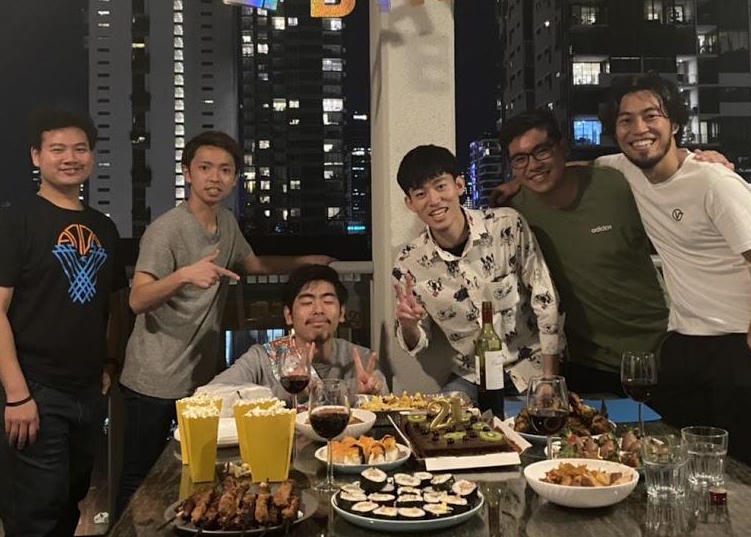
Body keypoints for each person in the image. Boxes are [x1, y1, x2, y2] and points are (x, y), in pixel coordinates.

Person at [116, 130, 333, 517]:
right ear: (187, 173)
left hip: (200, 381)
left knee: (195, 474)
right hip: (152, 379)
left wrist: (306, 263)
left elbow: (252, 265)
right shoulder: (166, 229)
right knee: (141, 477)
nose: (214, 177)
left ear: (234, 179)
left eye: (225, 170)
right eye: (205, 168)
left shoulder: (226, 223)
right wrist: (184, 275)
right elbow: (137, 299)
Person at [0, 107, 127, 537]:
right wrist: (17, 395)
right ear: (36, 157)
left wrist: (108, 362)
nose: (70, 157)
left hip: (84, 390)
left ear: (92, 157)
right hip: (28, 389)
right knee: (35, 515)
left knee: (66, 505)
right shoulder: (12, 222)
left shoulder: (103, 227)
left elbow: (113, 305)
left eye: (79, 148)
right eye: (57, 149)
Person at [598, 73, 751, 477]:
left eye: (651, 116)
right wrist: (514, 184)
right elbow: (579, 168)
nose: (638, 129)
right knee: (677, 467)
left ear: (675, 123)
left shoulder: (714, 181)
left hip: (746, 341)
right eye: (625, 120)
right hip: (686, 343)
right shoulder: (626, 168)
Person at [497, 109, 669, 396]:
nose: (533, 165)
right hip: (586, 364)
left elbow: (670, 183)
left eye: (542, 151)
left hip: (658, 351)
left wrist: (703, 161)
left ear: (563, 148)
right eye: (520, 159)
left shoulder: (615, 185)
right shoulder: (515, 212)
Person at [392, 144, 562, 399]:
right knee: (439, 419)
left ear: (459, 185)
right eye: (421, 194)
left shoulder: (506, 225)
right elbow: (416, 342)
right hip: (472, 375)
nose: (434, 200)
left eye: (441, 186)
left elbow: (545, 300)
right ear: (410, 203)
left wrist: (549, 379)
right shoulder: (408, 262)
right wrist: (408, 326)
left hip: (530, 367)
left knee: (541, 420)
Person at [200, 264, 386, 402]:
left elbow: (385, 412)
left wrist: (369, 399)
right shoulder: (262, 359)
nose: (318, 309)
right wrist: (286, 393)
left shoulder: (361, 360)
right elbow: (206, 396)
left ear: (342, 313)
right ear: (288, 315)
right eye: (307, 302)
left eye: (328, 301)